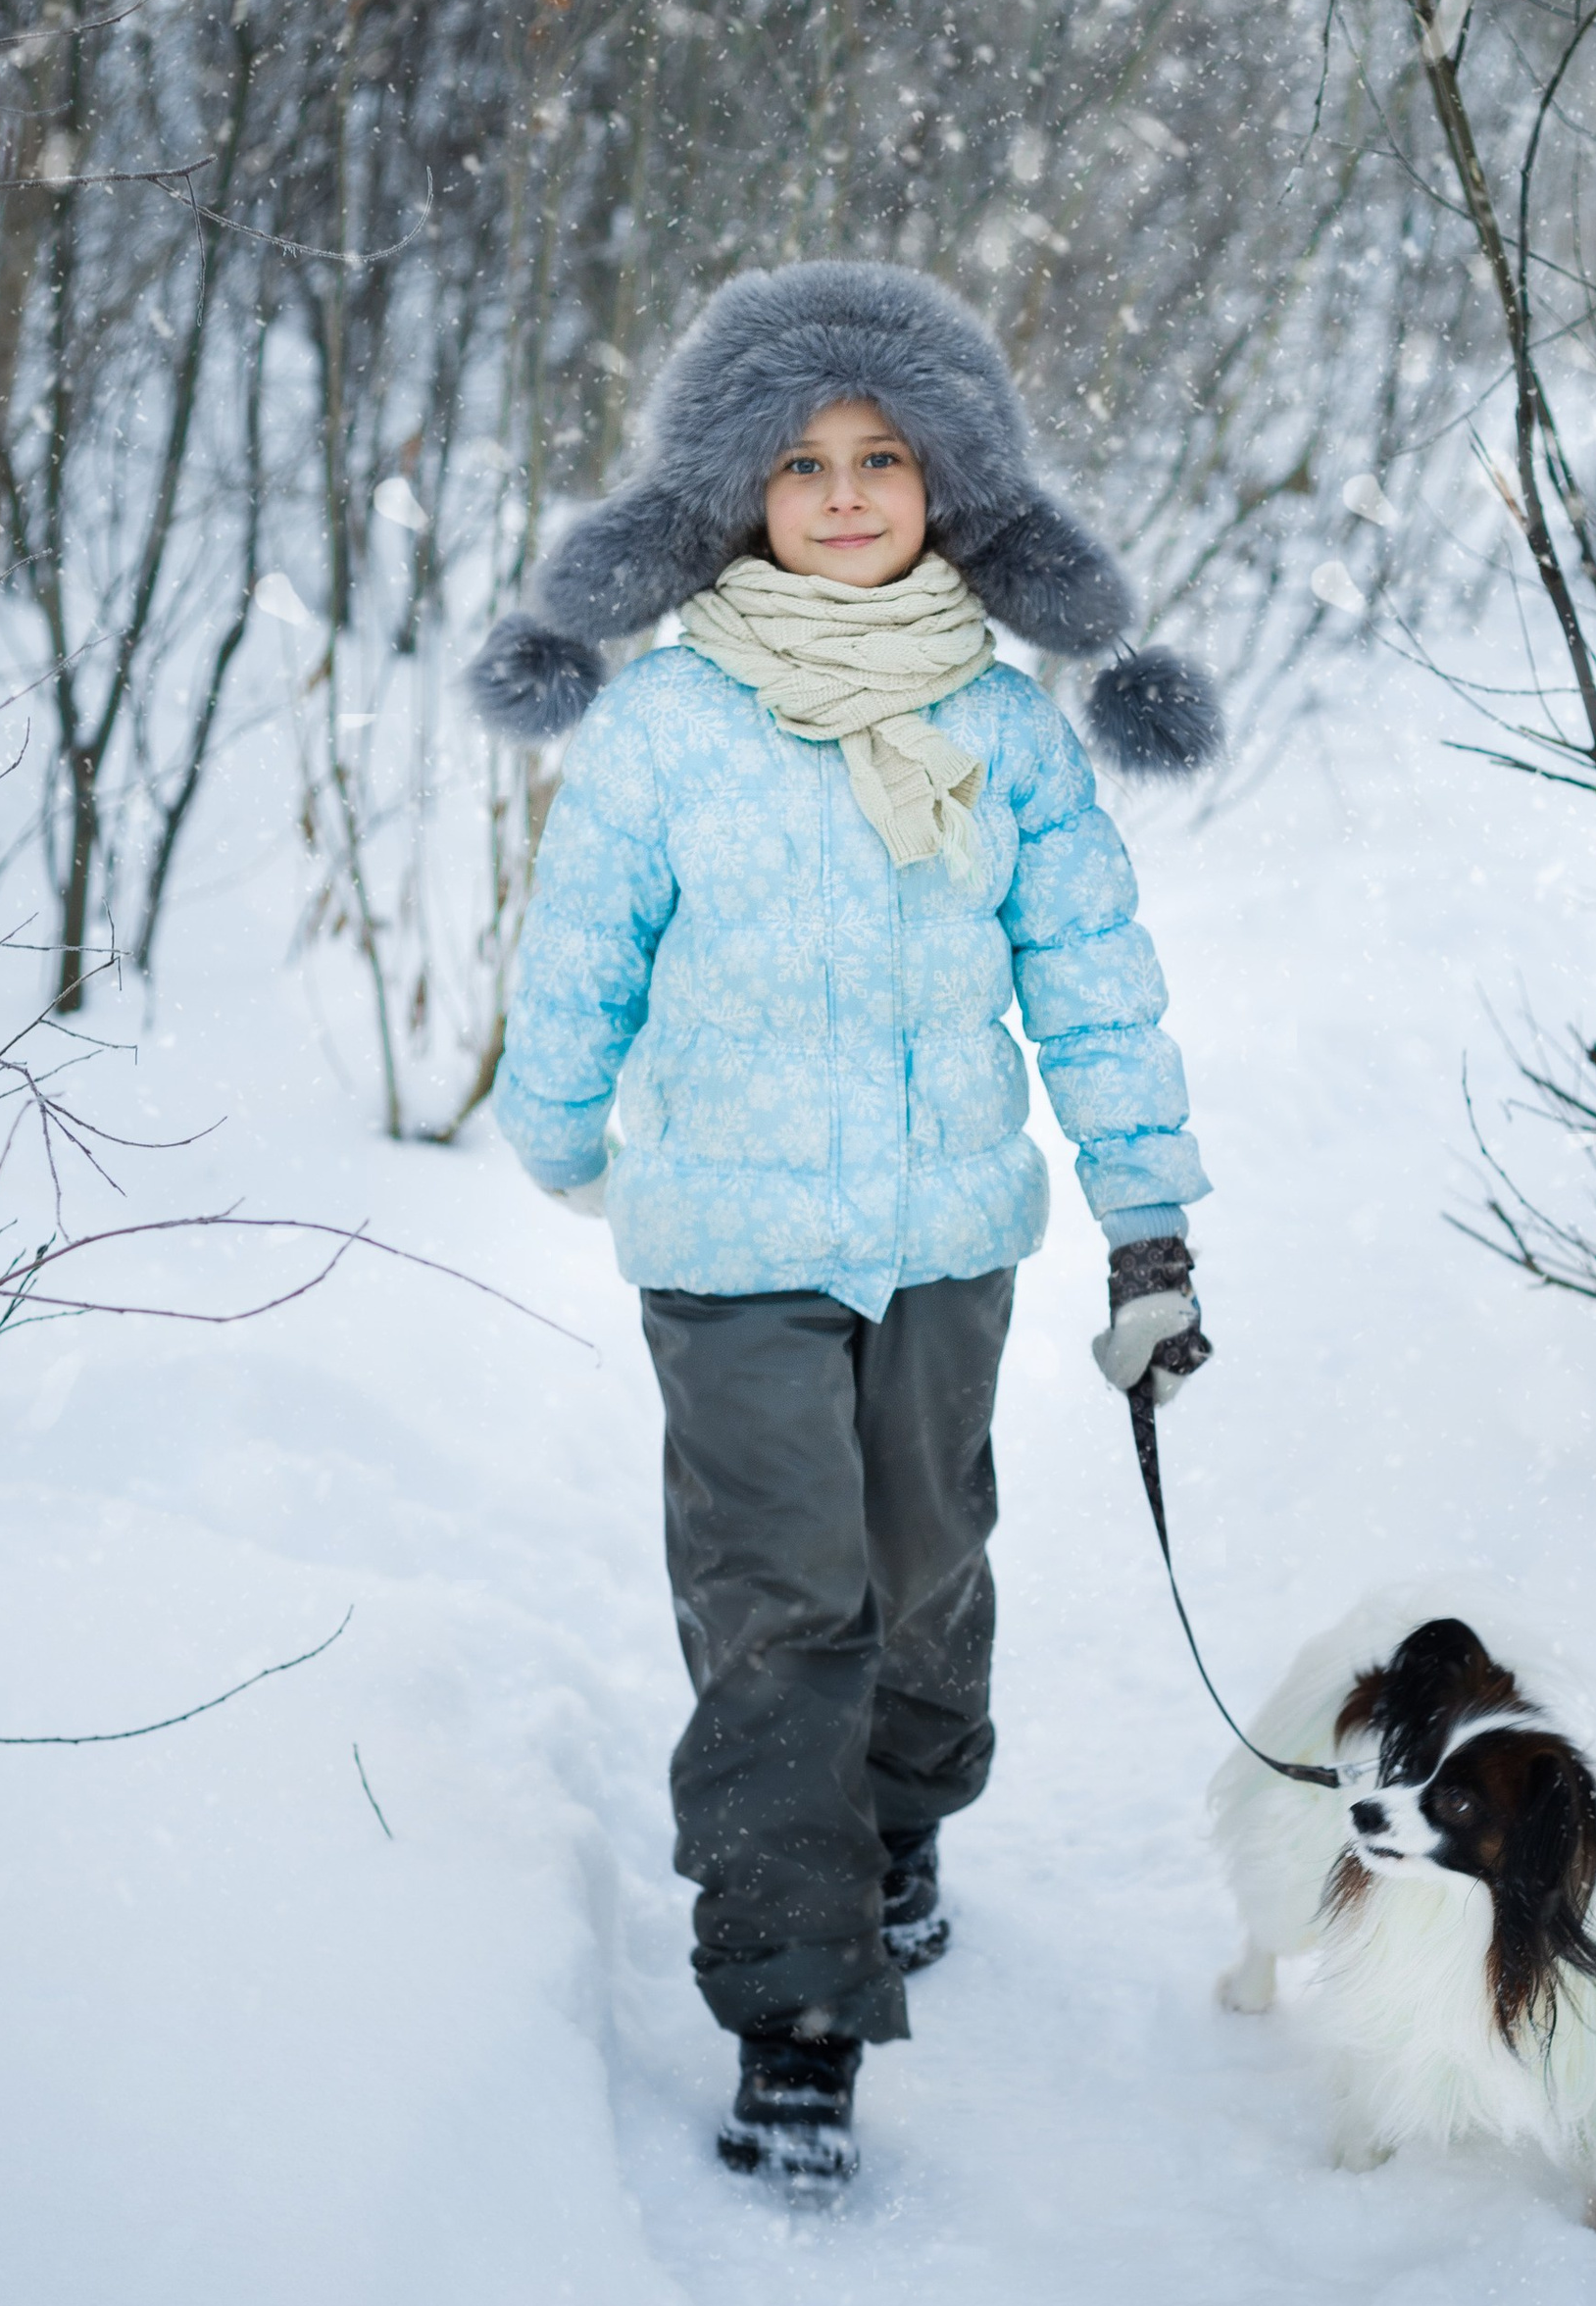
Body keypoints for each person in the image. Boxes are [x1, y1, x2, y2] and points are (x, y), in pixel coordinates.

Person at [473, 263, 1219, 2184]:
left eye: (881, 454)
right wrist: (558, 1129)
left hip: (947, 1227)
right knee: (779, 1605)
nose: (841, 491)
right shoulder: (663, 726)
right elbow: (582, 950)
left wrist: (1145, 1225)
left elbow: (1089, 976)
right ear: (731, 490)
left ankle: (900, 1821)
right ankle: (794, 2014)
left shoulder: (1000, 725)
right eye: (797, 461)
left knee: (919, 1569)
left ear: (948, 481)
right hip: (727, 1245)